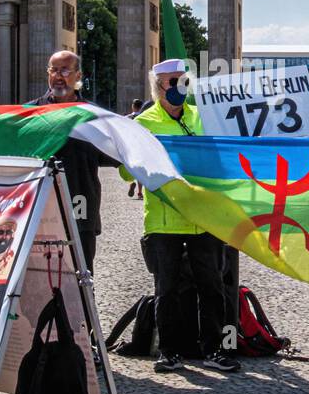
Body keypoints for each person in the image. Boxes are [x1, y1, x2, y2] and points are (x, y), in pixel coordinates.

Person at [124, 58, 239, 375]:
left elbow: (222, 155)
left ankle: (214, 350)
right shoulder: (143, 123)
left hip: (203, 218)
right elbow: (124, 172)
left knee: (212, 287)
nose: (178, 88)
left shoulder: (203, 118)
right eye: (172, 82)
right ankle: (168, 351)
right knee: (167, 289)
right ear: (157, 86)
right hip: (163, 221)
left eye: (182, 81)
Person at [34, 50, 119, 273]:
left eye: (65, 70)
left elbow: (116, 154)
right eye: (54, 70)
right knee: (38, 279)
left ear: (78, 75)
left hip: (80, 209)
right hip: (38, 212)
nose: (58, 76)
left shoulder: (93, 116)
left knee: (81, 277)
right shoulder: (30, 114)